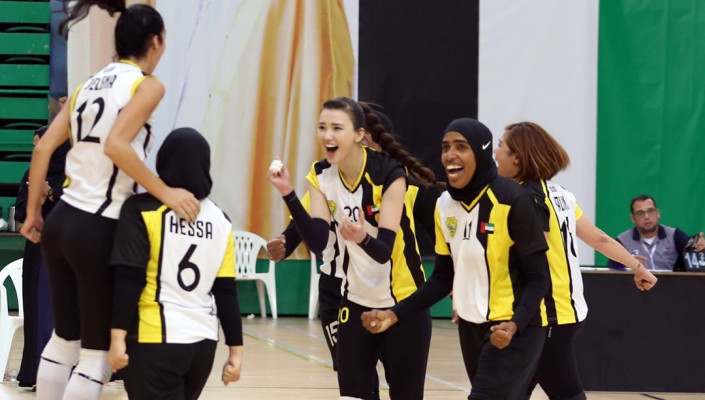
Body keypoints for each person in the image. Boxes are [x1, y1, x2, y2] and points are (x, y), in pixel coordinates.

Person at [19, 3, 200, 400]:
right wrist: (166, 192)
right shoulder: (147, 85)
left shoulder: (87, 85)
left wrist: (32, 213)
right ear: (156, 42)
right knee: (95, 354)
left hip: (61, 220)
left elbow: (43, 147)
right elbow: (117, 145)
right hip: (98, 224)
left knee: (64, 340)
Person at [362, 118, 551, 400]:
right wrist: (394, 314)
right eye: (445, 147)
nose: (450, 155)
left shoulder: (512, 200)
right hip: (471, 325)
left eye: (461, 147)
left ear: (482, 152)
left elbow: (539, 278)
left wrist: (515, 324)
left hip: (516, 327)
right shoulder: (445, 205)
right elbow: (442, 278)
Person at [266, 103, 438, 399]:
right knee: (357, 389)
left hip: (402, 299)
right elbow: (312, 234)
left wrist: (361, 238)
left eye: (337, 128)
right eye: (323, 127)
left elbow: (392, 247)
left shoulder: (395, 178)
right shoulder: (322, 176)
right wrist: (287, 196)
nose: (328, 135)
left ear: (361, 136)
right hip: (347, 295)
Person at [493, 121, 658, 400]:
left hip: (547, 313)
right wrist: (638, 267)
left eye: (500, 145)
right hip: (567, 310)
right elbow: (599, 238)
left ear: (518, 157)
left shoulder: (526, 199)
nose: (495, 152)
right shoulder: (561, 195)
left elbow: (531, 259)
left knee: (563, 391)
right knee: (512, 390)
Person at [107, 127, 243, 400]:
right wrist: (236, 351)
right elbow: (226, 291)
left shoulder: (141, 209)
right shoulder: (221, 221)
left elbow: (130, 278)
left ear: (163, 161)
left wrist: (117, 337)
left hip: (154, 340)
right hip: (203, 345)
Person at [14, 125, 70, 389]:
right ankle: (35, 372)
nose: (38, 151)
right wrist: (35, 200)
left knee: (63, 312)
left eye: (42, 145)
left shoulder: (73, 175)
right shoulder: (31, 174)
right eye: (35, 146)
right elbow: (20, 213)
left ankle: (67, 374)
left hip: (65, 250)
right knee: (37, 311)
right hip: (37, 252)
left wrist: (50, 193)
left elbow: (74, 210)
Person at [606, 194, 705, 271]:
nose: (647, 217)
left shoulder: (674, 235)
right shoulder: (622, 241)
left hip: (672, 287)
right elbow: (612, 271)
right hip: (636, 288)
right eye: (640, 213)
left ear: (658, 213)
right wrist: (628, 267)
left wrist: (700, 247)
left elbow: (692, 251)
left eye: (650, 211)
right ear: (633, 218)